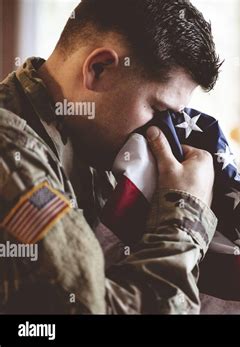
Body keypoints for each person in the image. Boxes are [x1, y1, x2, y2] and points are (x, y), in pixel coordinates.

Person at [0, 0, 222, 313]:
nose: (160, 133)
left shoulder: (89, 144)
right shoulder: (9, 154)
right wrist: (185, 215)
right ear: (98, 69)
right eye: (157, 109)